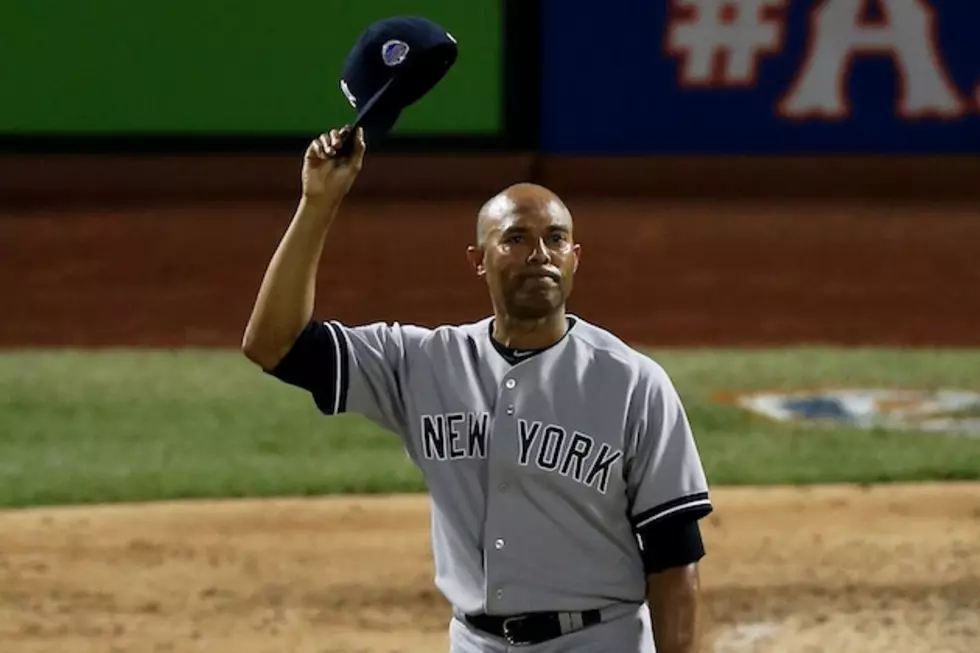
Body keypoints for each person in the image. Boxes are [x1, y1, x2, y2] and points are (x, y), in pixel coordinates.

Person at [242, 127, 714, 653]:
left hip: (601, 641)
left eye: (555, 239)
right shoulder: (423, 363)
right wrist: (317, 202)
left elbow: (676, 563)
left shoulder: (632, 382)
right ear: (478, 259)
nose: (540, 254)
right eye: (516, 239)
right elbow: (274, 345)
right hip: (476, 643)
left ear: (575, 257)